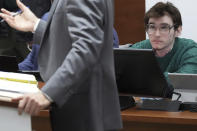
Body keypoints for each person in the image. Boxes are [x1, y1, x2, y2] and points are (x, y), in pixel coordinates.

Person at [0, 0, 122, 131]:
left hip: (85, 110)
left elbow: (86, 48)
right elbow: (72, 40)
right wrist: (36, 25)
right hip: (80, 108)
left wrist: (47, 94)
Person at [129, 2, 197, 80]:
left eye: (164, 27)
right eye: (152, 27)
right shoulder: (139, 49)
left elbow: (183, 80)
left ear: (178, 30)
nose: (157, 34)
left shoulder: (190, 50)